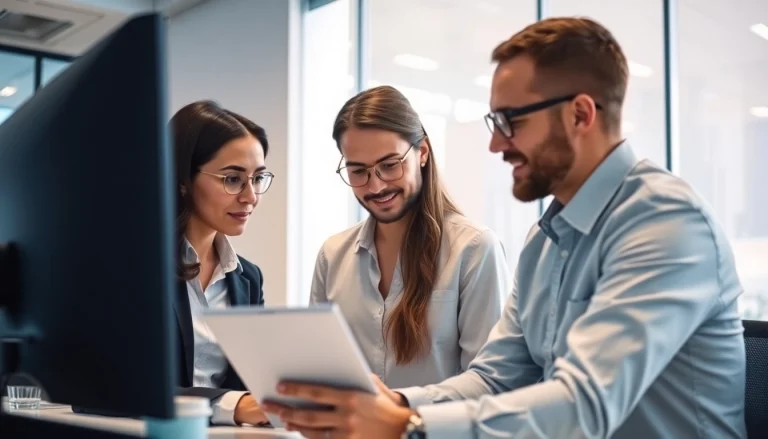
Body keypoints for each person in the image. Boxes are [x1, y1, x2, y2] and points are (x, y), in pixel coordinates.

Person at [263, 17, 747, 439]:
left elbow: (586, 404)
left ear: (580, 114)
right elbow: (495, 378)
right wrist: (397, 407)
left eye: (510, 120)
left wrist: (410, 428)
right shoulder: (546, 241)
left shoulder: (666, 224)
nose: (495, 143)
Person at [309, 85, 509, 389]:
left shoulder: (474, 249)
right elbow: (320, 370)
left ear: (423, 153)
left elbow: (489, 385)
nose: (375, 186)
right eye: (358, 171)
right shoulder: (332, 255)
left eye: (390, 166)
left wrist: (400, 410)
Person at [171, 100, 274, 426]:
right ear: (183, 178)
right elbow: (113, 388)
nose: (251, 196)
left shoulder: (248, 277)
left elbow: (248, 385)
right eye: (232, 179)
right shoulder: (132, 267)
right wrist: (232, 406)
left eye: (257, 178)